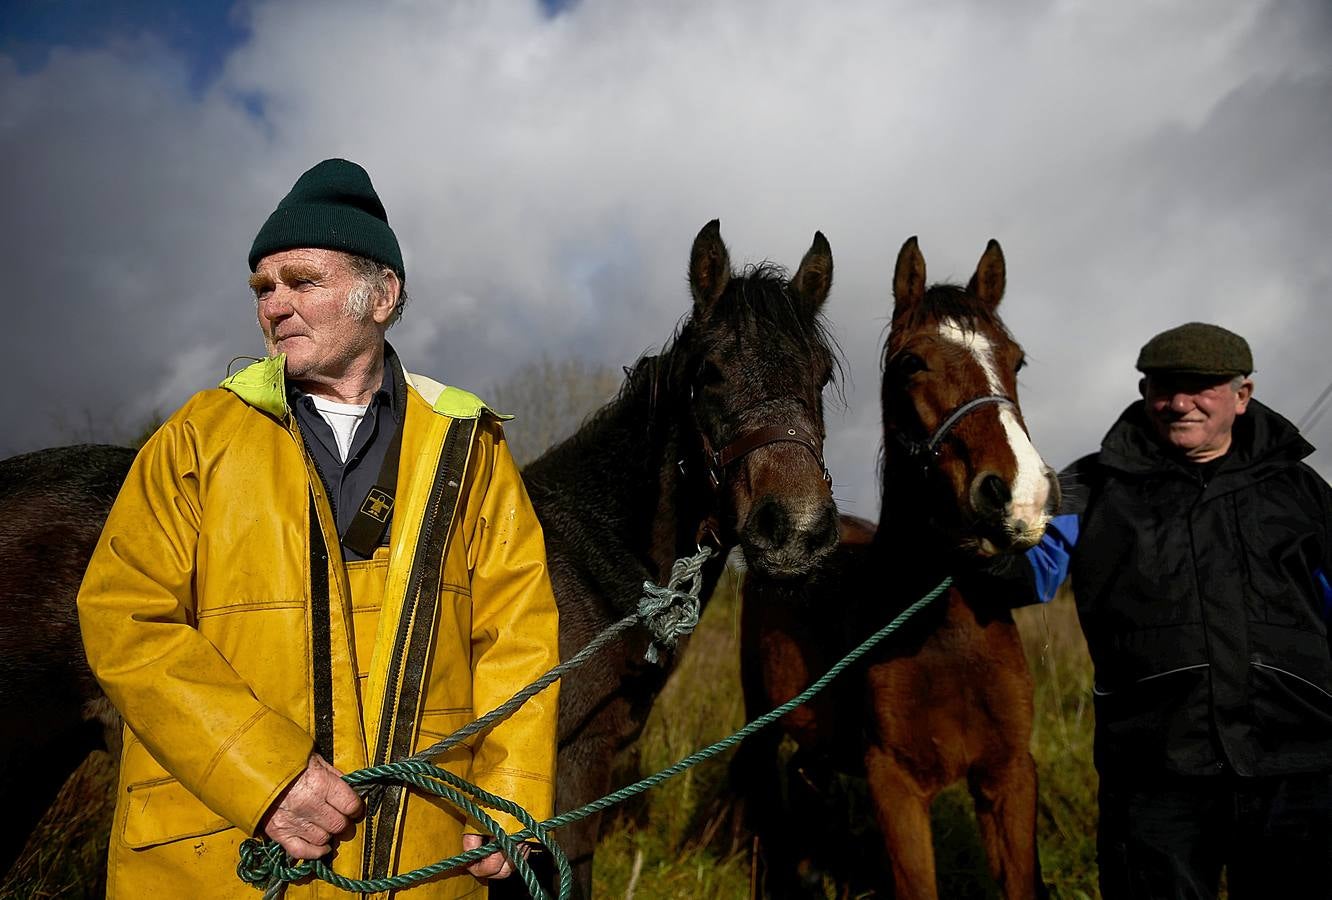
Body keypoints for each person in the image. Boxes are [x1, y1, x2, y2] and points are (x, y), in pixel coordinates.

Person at [77, 158, 560, 898]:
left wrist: (514, 792)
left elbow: (518, 637)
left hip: (424, 868)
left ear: (382, 296)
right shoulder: (197, 439)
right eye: (263, 289)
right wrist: (265, 773)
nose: (275, 305)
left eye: (302, 282)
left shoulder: (472, 443)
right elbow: (122, 616)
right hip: (224, 862)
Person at [1021, 322, 1332, 898]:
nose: (1179, 404)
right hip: (1154, 767)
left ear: (1243, 395)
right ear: (1144, 393)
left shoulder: (1303, 491)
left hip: (1298, 763)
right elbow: (1026, 572)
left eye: (1201, 387)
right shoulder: (1091, 485)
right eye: (1163, 387)